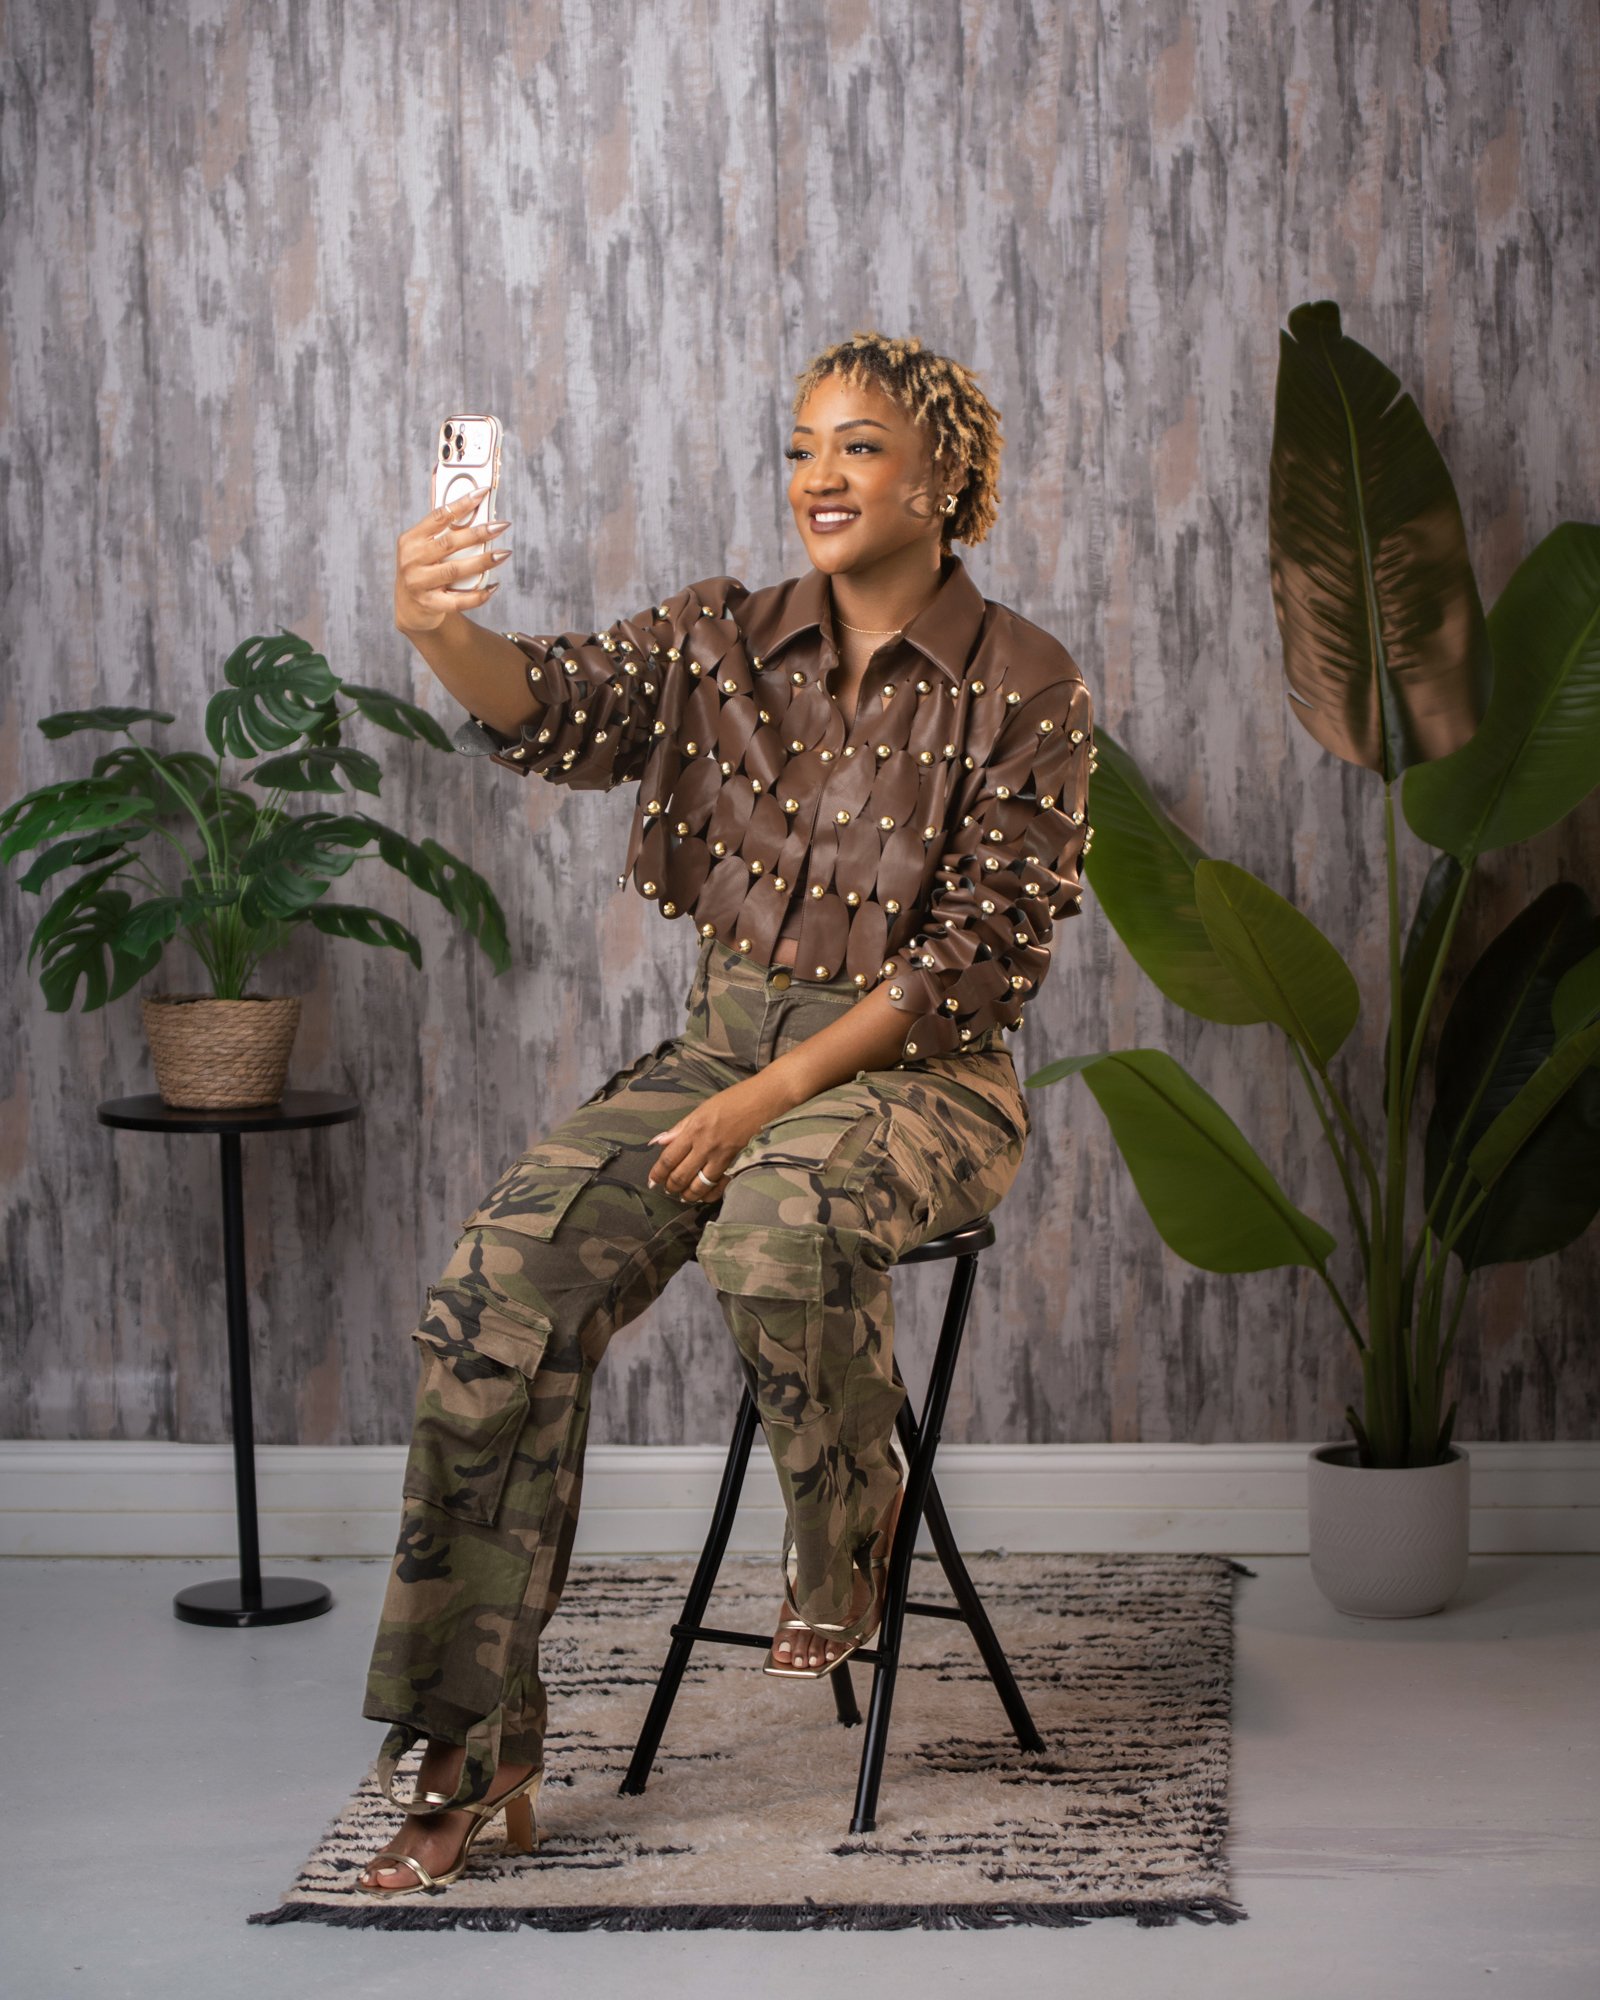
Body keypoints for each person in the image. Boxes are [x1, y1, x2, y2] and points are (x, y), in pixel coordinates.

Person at [356, 330, 1095, 1892]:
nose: (820, 476)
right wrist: (439, 628)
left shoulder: (1027, 681)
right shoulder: (719, 639)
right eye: (803, 445)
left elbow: (974, 963)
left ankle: (849, 1527)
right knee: (495, 1288)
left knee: (776, 1218)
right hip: (722, 1055)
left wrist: (766, 1100)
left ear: (943, 473)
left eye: (863, 445)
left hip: (920, 1077)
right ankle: (468, 1740)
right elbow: (551, 705)